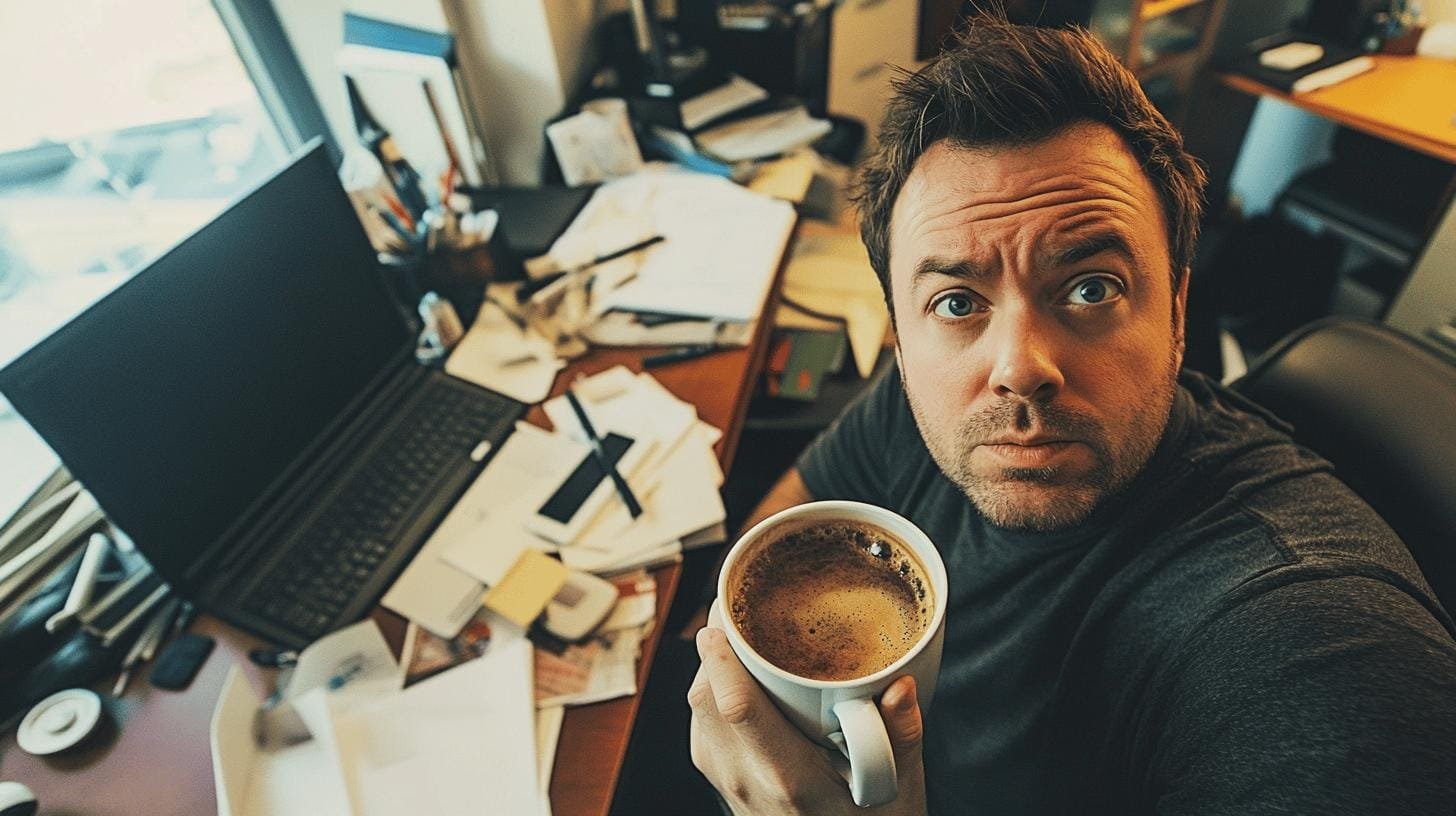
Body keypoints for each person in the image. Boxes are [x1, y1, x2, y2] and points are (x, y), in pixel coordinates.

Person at [687, 17, 1456, 816]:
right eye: (956, 302)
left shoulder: (1317, 651)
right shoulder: (914, 402)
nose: (1018, 367)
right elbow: (768, 539)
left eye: (1092, 286)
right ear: (902, 342)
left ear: (1179, 312)